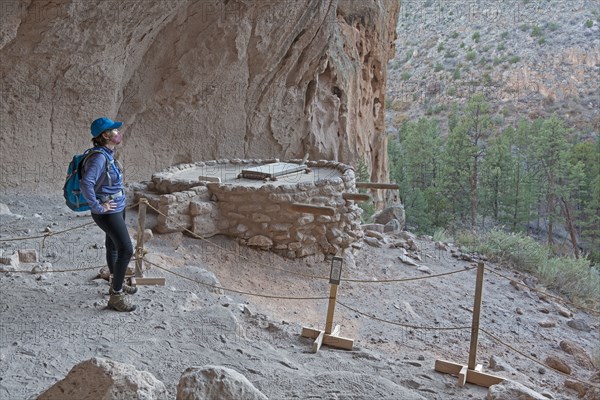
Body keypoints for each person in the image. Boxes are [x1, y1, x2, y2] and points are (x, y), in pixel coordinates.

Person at [81, 117, 137, 312]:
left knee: (112, 246)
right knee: (126, 249)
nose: (117, 132)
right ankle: (116, 296)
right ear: (105, 135)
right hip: (107, 211)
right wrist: (97, 206)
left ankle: (116, 283)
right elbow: (86, 183)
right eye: (114, 130)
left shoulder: (108, 154)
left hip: (116, 207)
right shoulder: (99, 157)